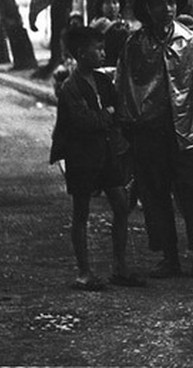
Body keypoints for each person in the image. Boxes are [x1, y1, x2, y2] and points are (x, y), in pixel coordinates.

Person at [115, 0, 193, 280]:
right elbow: (124, 85)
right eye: (159, 3)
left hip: (184, 129)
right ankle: (169, 256)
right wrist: (127, 124)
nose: (167, 9)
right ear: (147, 9)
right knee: (154, 194)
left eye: (171, 3)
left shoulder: (190, 42)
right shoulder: (135, 44)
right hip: (149, 130)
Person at [49, 25, 143, 290]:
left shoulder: (102, 81)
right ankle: (84, 271)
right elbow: (84, 121)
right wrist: (107, 115)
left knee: (122, 204)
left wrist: (110, 116)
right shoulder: (70, 86)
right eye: (97, 49)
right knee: (81, 212)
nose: (103, 54)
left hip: (105, 152)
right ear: (81, 53)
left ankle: (120, 267)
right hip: (81, 155)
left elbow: (117, 108)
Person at [92, 0, 132, 68]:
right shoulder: (99, 23)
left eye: (115, 2)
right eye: (107, 3)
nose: (112, 6)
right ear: (101, 7)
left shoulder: (124, 24)